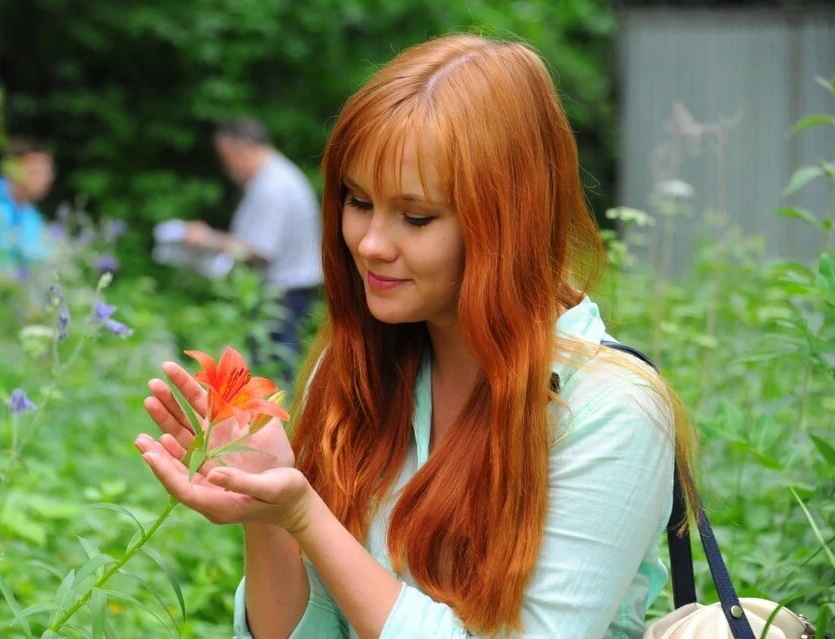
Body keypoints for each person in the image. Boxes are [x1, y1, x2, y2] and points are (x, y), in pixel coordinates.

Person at [134, 34, 698, 639]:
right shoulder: (357, 368)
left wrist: (307, 515)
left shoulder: (612, 408)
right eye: (357, 201)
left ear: (510, 219)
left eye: (416, 216)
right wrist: (269, 517)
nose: (370, 243)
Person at [184, 118, 323, 362]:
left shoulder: (273, 186)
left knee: (277, 364)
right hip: (289, 289)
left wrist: (207, 238)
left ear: (244, 149)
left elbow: (258, 250)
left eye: (227, 158)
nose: (227, 168)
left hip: (284, 293)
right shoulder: (274, 176)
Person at [0, 137, 56, 270]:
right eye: (36, 172)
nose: (46, 180)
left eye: (48, 173)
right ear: (12, 170)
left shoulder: (29, 210)